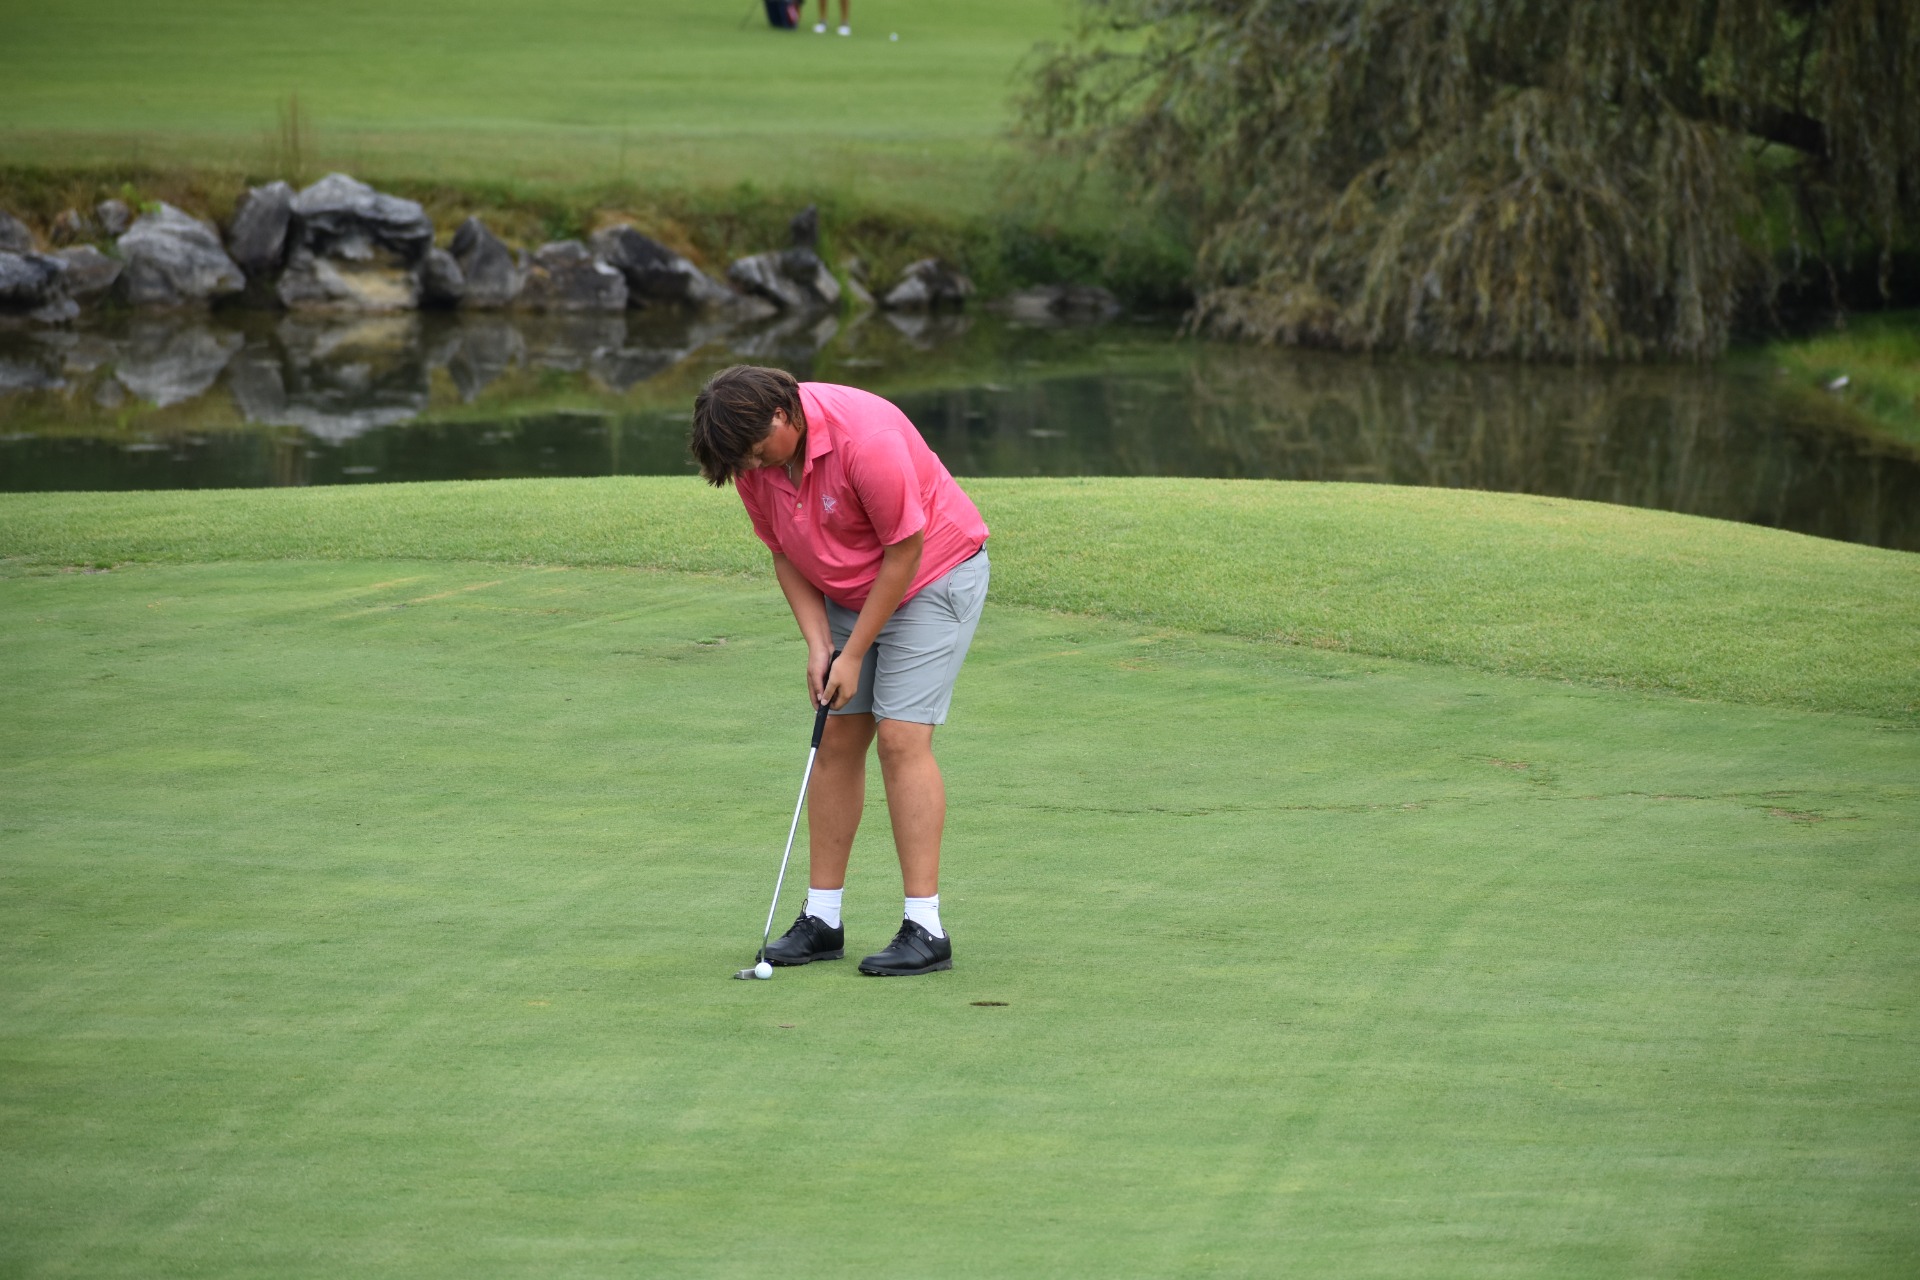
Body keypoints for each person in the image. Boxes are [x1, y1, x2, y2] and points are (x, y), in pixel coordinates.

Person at [691, 366, 989, 976]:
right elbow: (784, 550)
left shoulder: (865, 439)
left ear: (781, 417)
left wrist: (853, 654)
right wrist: (819, 643)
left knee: (902, 738)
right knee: (837, 734)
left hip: (933, 574)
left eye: (753, 454)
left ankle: (925, 928)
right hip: (849, 587)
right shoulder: (758, 462)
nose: (753, 470)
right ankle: (823, 919)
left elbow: (906, 548)